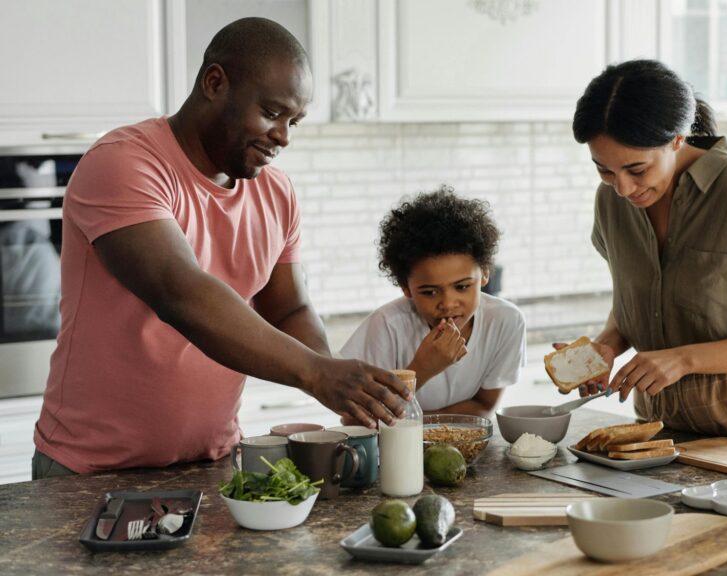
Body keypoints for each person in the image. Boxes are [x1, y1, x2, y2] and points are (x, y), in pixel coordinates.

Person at [32, 17, 410, 479]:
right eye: (272, 113)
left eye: (294, 121)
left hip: (212, 463)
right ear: (214, 82)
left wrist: (339, 385)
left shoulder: (276, 192)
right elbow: (180, 293)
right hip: (90, 470)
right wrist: (317, 373)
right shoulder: (123, 163)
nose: (284, 136)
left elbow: (289, 308)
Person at [570, 59, 727, 448]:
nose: (623, 189)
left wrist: (682, 360)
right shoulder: (611, 203)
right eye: (605, 171)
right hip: (656, 438)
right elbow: (640, 302)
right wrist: (607, 346)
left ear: (678, 139)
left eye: (637, 170)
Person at [339, 187, 526, 417]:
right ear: (406, 287)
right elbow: (353, 419)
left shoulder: (506, 321)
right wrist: (422, 369)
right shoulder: (387, 326)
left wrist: (424, 427)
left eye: (462, 287)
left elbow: (484, 406)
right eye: (429, 292)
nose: (447, 303)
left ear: (485, 273)